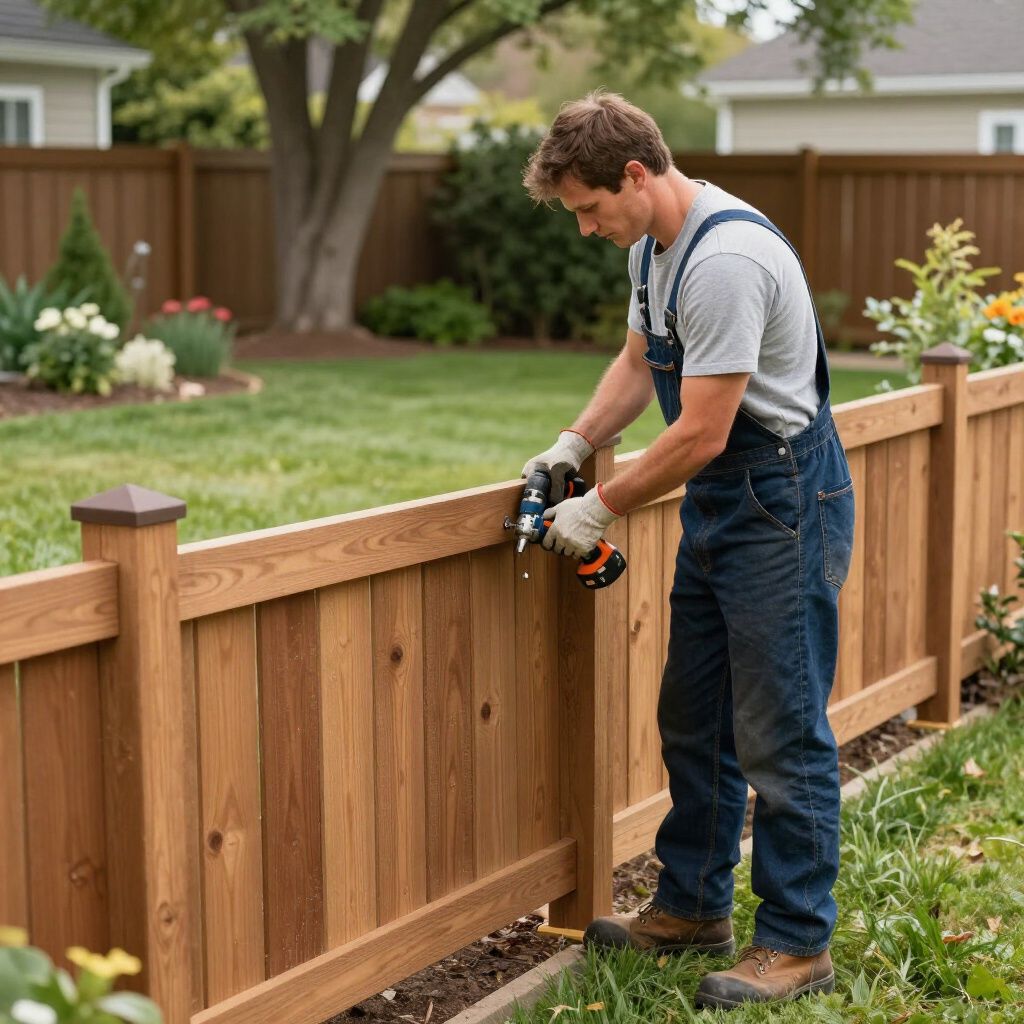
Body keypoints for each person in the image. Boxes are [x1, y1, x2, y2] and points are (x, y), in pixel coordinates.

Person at [520, 91, 855, 1011]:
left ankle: (794, 941)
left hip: (780, 497)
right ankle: (693, 908)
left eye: (589, 207)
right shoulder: (652, 251)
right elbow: (639, 364)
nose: (587, 229)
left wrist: (600, 507)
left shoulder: (726, 261)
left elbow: (702, 431)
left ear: (636, 174)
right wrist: (573, 444)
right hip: (724, 500)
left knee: (780, 728)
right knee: (695, 715)